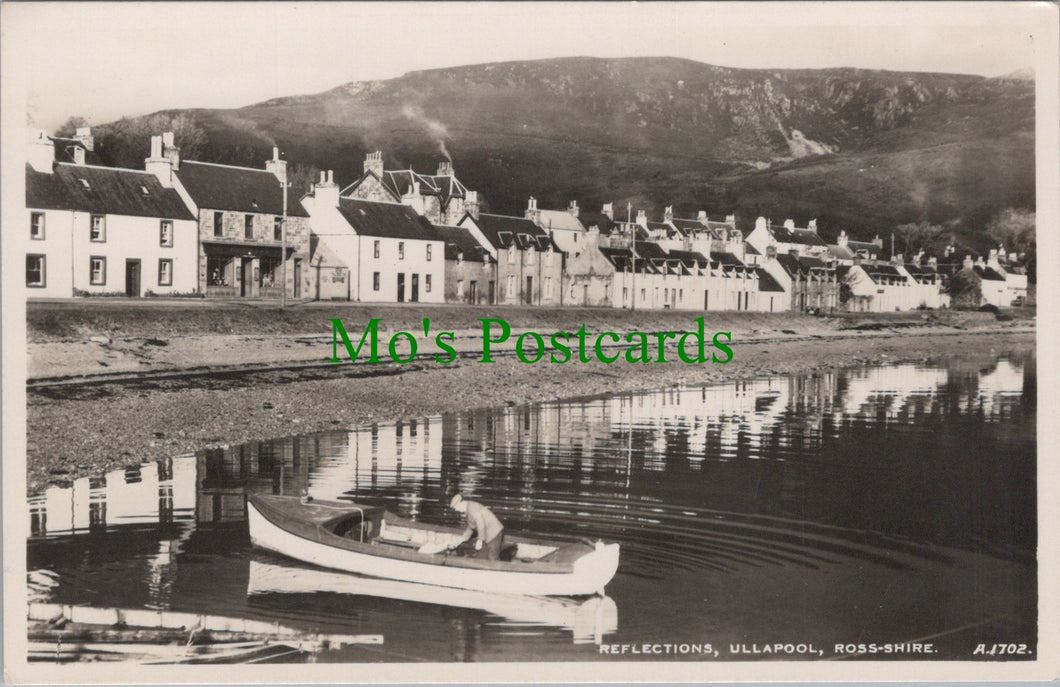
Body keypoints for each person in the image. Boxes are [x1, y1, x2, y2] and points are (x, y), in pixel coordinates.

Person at [448, 494, 504, 560]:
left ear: (461, 503)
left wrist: (480, 539)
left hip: (494, 532)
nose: (456, 510)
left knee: (492, 557)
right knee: (482, 557)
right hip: (487, 533)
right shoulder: (468, 509)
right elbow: (471, 527)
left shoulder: (472, 508)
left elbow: (480, 523)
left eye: (456, 508)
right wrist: (460, 540)